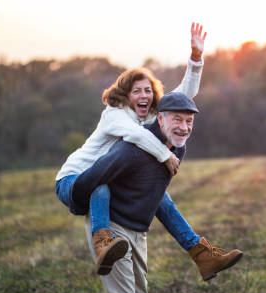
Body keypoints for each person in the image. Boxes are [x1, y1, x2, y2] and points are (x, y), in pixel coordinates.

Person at [55, 23, 242, 279]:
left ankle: (200, 253)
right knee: (102, 185)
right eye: (137, 91)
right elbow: (135, 135)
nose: (144, 95)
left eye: (148, 91)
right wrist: (165, 155)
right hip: (75, 179)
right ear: (125, 95)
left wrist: (196, 58)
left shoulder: (149, 116)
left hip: (107, 176)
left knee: (159, 196)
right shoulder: (115, 115)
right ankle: (103, 243)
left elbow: (183, 97)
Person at [71, 92, 242, 293]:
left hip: (137, 228)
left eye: (189, 121)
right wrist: (77, 204)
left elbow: (156, 193)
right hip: (112, 226)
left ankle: (201, 254)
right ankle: (106, 240)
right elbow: (93, 177)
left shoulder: (178, 148)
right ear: (160, 119)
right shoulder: (129, 151)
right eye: (177, 120)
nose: (184, 127)